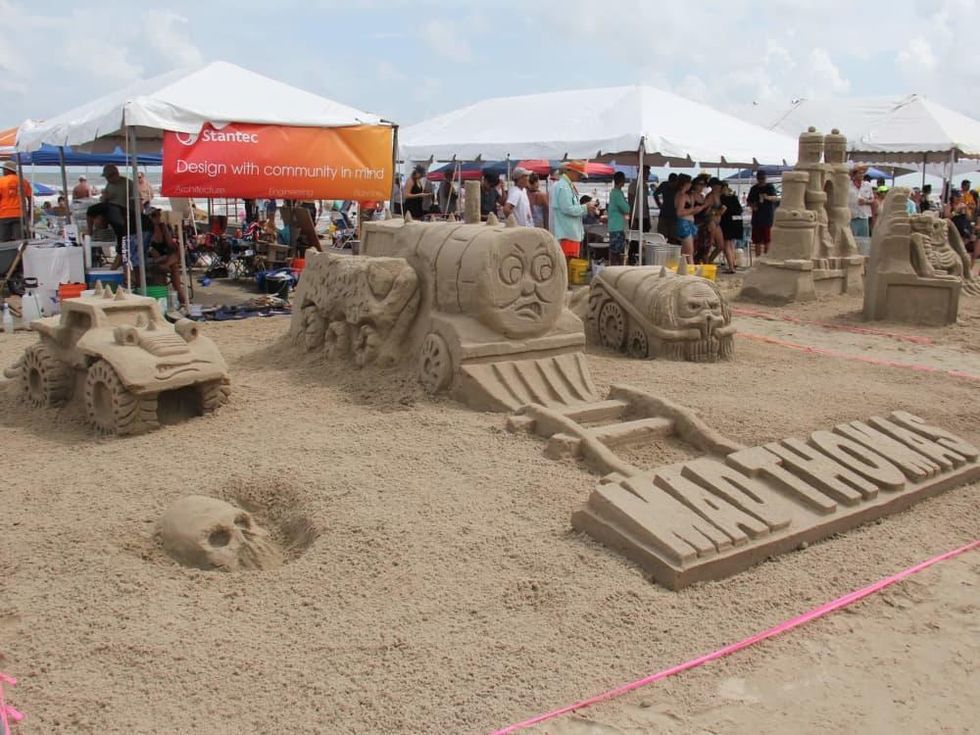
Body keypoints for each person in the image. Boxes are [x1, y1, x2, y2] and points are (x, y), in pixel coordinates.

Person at [550, 161, 596, 266]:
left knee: (570, 264)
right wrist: (586, 207)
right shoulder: (564, 186)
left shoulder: (566, 185)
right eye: (579, 173)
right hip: (568, 233)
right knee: (568, 264)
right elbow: (568, 209)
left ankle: (567, 282)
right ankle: (566, 283)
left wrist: (585, 207)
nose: (580, 176)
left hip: (570, 232)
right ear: (569, 171)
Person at [144, 208, 188, 307]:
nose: (158, 217)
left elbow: (171, 246)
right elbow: (146, 249)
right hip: (152, 259)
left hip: (165, 259)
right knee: (173, 265)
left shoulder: (163, 227)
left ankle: (179, 297)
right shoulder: (146, 230)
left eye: (159, 215)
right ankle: (181, 298)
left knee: (177, 255)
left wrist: (165, 231)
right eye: (155, 215)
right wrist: (152, 250)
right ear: (149, 218)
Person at [86, 164, 133, 245]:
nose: (107, 179)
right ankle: (94, 237)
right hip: (109, 209)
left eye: (108, 177)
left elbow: (135, 201)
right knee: (95, 216)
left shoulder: (128, 184)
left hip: (122, 211)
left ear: (115, 174)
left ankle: (119, 247)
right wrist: (105, 197)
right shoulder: (109, 184)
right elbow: (104, 200)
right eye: (106, 178)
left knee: (92, 210)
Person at [674, 173, 711, 263]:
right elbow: (679, 212)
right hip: (684, 223)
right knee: (690, 251)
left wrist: (699, 208)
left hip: (689, 222)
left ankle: (685, 269)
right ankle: (691, 270)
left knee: (686, 251)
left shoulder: (688, 195)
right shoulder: (681, 195)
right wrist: (693, 210)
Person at [747, 170, 777, 257]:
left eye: (763, 178)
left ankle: (766, 257)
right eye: (759, 178)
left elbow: (775, 198)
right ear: (757, 178)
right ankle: (758, 258)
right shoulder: (754, 188)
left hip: (767, 217)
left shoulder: (770, 187)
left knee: (767, 240)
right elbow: (749, 201)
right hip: (757, 218)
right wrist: (753, 206)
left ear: (765, 178)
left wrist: (767, 197)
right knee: (757, 241)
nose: (761, 180)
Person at [0, 160, 32, 242]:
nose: (3, 171)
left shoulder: (1, 181)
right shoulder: (24, 182)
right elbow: (29, 198)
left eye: (4, 169)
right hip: (20, 214)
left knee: (4, 241)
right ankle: (20, 254)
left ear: (8, 170)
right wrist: (29, 212)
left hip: (4, 214)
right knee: (20, 240)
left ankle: (7, 254)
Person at [717, 181, 742, 273]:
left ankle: (731, 267)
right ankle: (733, 264)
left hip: (727, 222)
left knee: (726, 245)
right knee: (731, 244)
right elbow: (740, 209)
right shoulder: (733, 197)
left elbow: (723, 210)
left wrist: (716, 214)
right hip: (737, 221)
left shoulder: (722, 198)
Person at [607, 171, 630, 265]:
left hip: (614, 225)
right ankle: (616, 269)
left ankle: (614, 267)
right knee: (617, 252)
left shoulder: (614, 193)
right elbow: (626, 208)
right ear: (622, 181)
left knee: (614, 251)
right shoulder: (617, 194)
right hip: (617, 227)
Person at [654, 173, 678, 241]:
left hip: (674, 215)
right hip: (664, 213)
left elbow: (655, 194)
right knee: (661, 236)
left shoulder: (678, 187)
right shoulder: (664, 184)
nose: (673, 185)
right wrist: (659, 204)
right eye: (671, 183)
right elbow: (655, 194)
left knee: (673, 237)